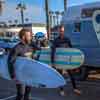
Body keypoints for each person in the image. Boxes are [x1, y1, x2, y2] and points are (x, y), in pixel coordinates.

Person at [8, 29, 40, 100]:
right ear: (23, 37)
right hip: (20, 75)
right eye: (28, 36)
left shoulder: (31, 46)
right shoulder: (17, 48)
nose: (30, 37)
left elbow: (40, 50)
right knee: (21, 94)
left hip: (29, 73)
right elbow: (10, 62)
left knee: (28, 93)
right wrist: (13, 75)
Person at [51, 25, 81, 96]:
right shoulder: (56, 40)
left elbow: (71, 49)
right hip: (59, 61)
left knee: (71, 75)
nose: (62, 32)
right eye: (60, 31)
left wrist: (73, 60)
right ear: (58, 31)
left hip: (67, 61)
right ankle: (61, 90)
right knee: (60, 76)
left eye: (63, 31)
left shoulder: (67, 39)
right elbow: (53, 51)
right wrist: (53, 62)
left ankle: (75, 88)